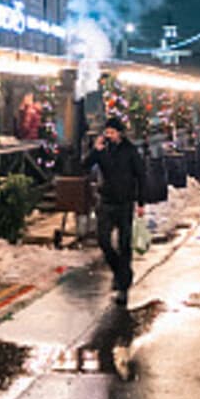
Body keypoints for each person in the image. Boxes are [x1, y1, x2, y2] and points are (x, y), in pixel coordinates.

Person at [84, 115, 147, 304]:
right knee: (103, 240)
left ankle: (123, 287)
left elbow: (141, 176)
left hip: (125, 203)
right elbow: (84, 165)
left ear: (119, 133)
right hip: (106, 202)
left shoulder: (130, 150)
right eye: (107, 132)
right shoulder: (103, 149)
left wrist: (141, 202)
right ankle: (120, 272)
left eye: (112, 132)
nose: (108, 135)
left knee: (124, 244)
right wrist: (95, 151)